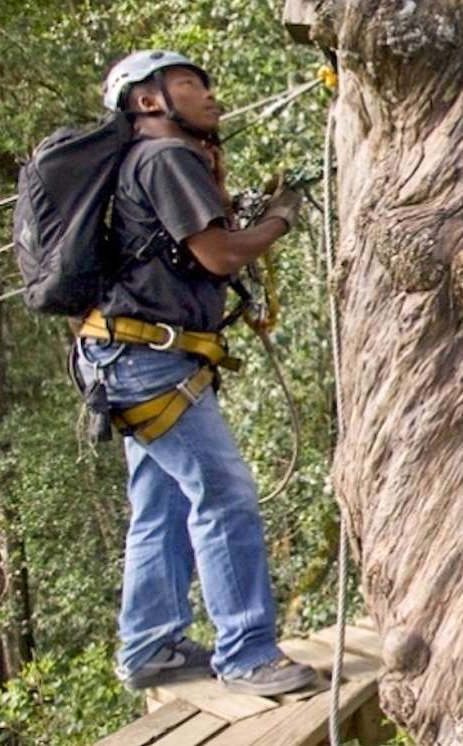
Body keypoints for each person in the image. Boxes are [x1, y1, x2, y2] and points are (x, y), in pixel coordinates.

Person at [71, 50, 317, 696]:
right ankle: (247, 654)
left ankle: (149, 645)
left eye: (205, 82)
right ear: (149, 101)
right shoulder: (165, 157)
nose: (207, 94)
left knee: (162, 500)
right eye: (188, 84)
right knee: (224, 490)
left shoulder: (155, 162)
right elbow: (218, 254)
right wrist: (280, 220)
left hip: (127, 356)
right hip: (148, 360)